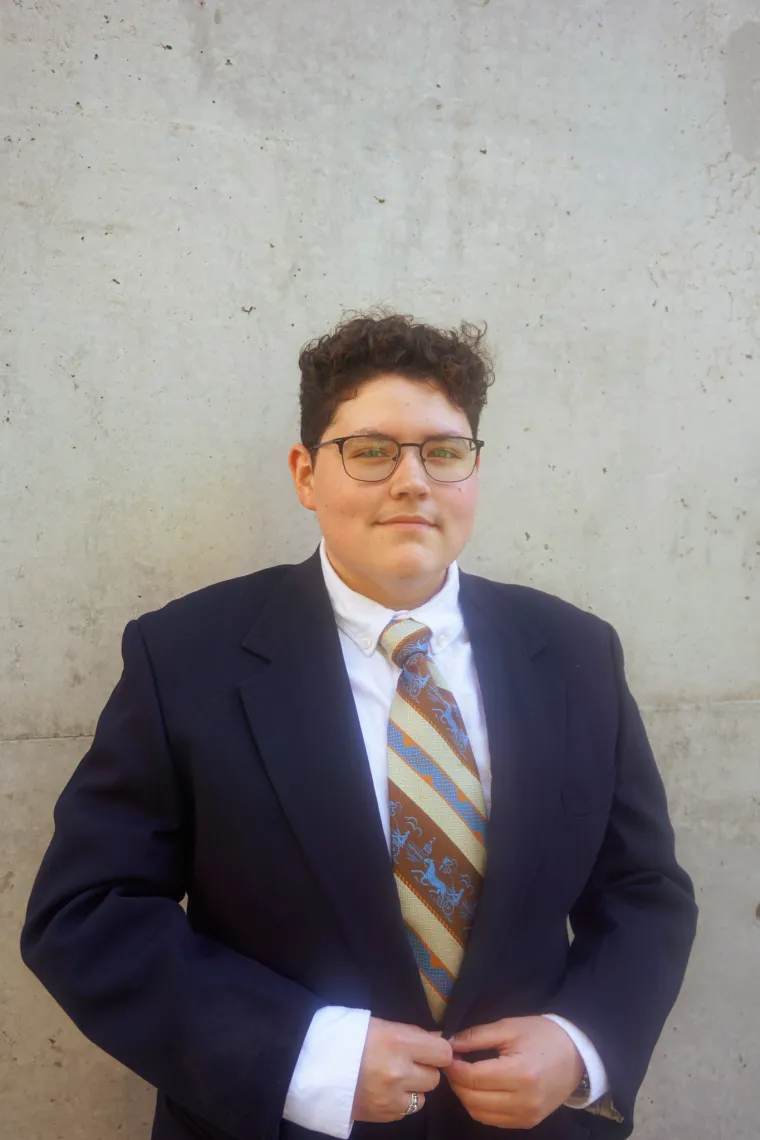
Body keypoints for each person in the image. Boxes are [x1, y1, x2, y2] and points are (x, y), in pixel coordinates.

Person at [21, 313, 697, 1140]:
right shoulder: (187, 656)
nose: (413, 480)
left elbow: (642, 892)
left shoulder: (576, 654)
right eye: (372, 450)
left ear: (474, 470)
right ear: (307, 474)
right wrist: (308, 1056)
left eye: (443, 451)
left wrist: (581, 1043)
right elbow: (88, 913)